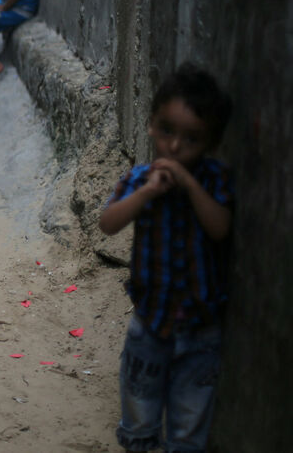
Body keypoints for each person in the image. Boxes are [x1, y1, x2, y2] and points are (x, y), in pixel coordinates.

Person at [98, 64, 234, 453]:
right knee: (139, 416)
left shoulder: (214, 180)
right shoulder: (140, 178)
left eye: (191, 139)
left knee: (189, 426)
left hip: (201, 332)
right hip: (150, 325)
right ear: (152, 124)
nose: (174, 147)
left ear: (211, 142)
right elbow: (108, 223)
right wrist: (145, 194)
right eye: (167, 131)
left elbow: (220, 226)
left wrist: (188, 184)